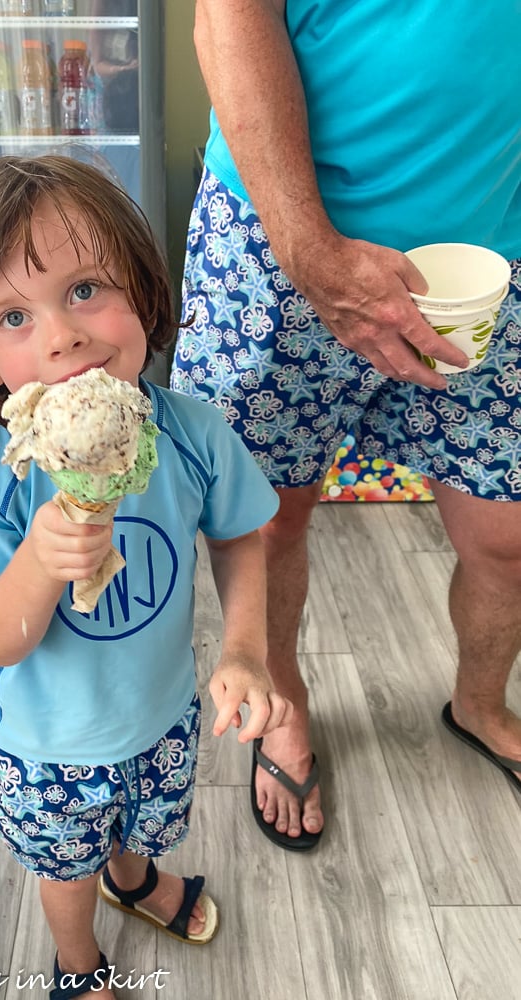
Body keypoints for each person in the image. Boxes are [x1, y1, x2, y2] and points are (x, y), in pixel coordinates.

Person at [0, 154, 292, 1000]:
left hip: (160, 714)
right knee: (66, 867)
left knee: (139, 826)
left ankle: (132, 877)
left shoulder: (192, 431)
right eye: (13, 316)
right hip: (49, 747)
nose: (61, 334)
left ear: (145, 293)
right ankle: (77, 963)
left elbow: (238, 538)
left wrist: (242, 650)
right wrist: (39, 559)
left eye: (86, 288)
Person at [171, 0, 521, 850]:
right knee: (268, 517)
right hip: (278, 241)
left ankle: (478, 703)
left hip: (489, 251)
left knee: (506, 535)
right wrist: (311, 254)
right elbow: (228, 17)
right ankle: (280, 707)